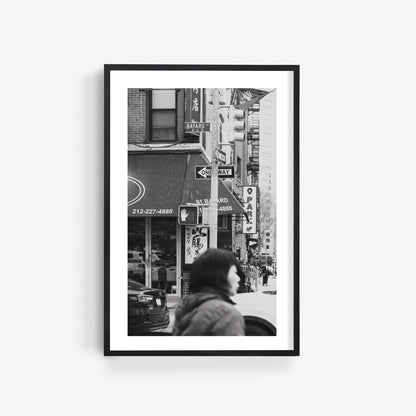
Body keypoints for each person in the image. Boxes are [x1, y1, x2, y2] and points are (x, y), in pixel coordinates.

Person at [173, 249, 245, 336]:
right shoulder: (227, 314)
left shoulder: (186, 306)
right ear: (219, 275)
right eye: (234, 272)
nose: (238, 278)